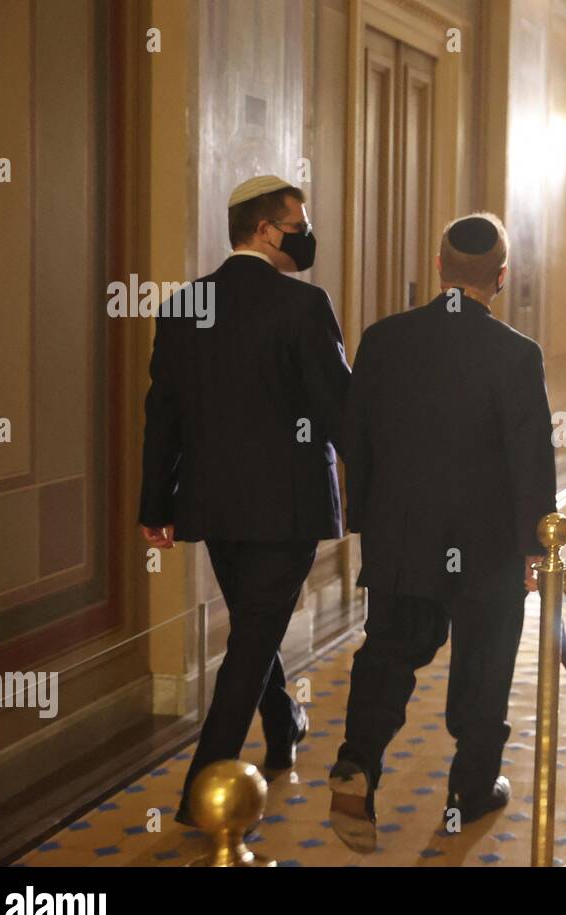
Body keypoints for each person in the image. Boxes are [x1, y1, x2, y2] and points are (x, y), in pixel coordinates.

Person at [328, 212, 557, 853]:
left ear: (438, 268)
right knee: (484, 664)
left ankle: (357, 762)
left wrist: (367, 520)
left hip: (403, 536)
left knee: (390, 652)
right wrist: (536, 549)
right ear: (502, 278)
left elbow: (356, 438)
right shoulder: (517, 354)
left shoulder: (384, 340)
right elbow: (530, 460)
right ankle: (470, 788)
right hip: (486, 549)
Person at [138, 175, 351, 825]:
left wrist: (156, 506)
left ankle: (282, 725)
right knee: (253, 638)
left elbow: (162, 413)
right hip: (287, 511)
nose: (306, 233)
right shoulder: (304, 307)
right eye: (298, 222)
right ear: (264, 230)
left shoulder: (183, 306)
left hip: (211, 505)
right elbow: (340, 413)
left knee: (255, 630)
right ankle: (201, 795)